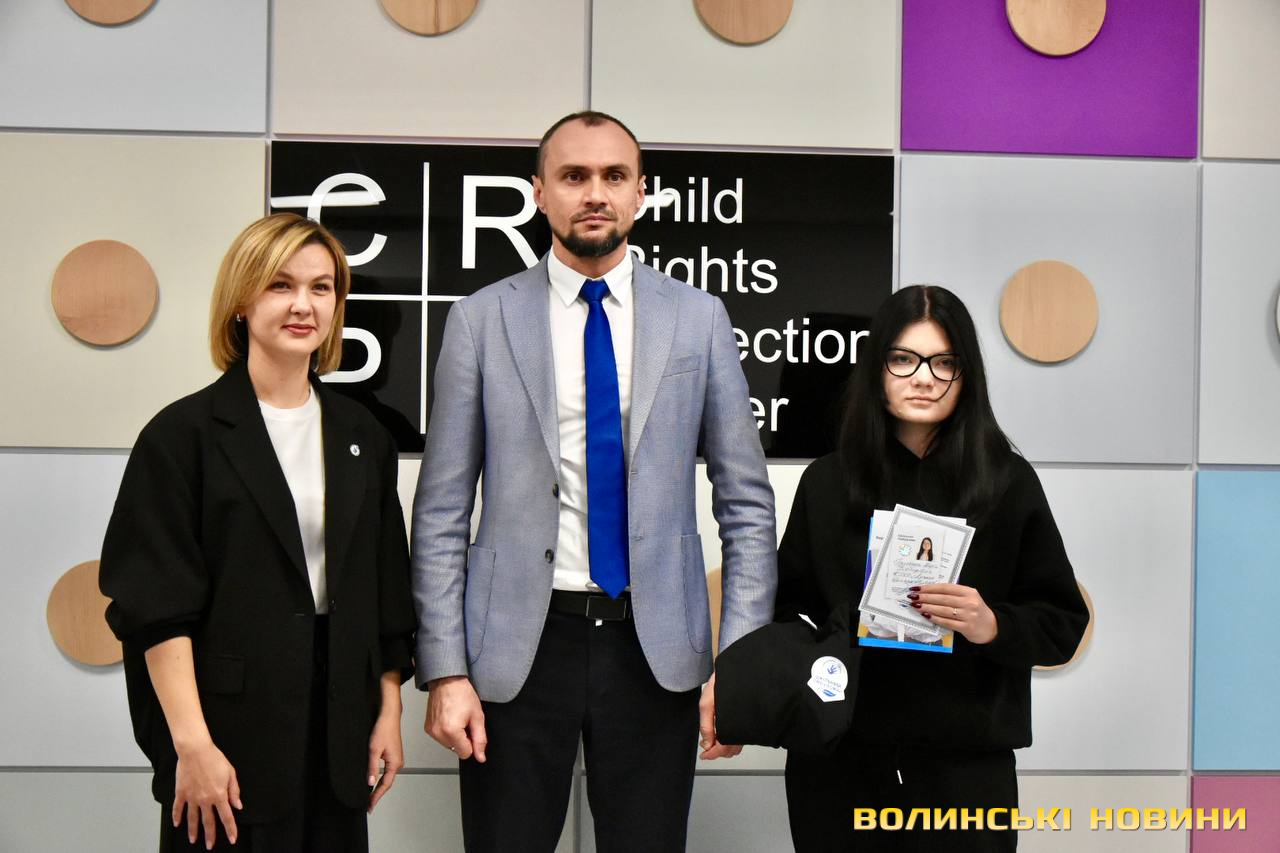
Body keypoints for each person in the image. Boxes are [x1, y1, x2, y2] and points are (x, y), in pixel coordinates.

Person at [411, 110, 777, 853]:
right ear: (539, 191)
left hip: (654, 649)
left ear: (641, 192)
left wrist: (739, 667)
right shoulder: (480, 320)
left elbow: (747, 506)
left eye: (614, 175)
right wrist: (445, 669)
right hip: (515, 649)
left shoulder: (699, 319)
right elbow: (441, 511)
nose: (594, 193)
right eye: (574, 176)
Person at [98, 213, 416, 853]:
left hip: (338, 730)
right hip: (226, 736)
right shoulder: (181, 436)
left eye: (322, 288)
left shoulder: (361, 434)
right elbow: (156, 610)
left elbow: (384, 590)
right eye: (280, 285)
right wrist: (192, 746)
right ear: (242, 301)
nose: (304, 305)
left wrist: (389, 711)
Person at [775, 285, 1088, 852]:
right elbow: (787, 617)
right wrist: (837, 633)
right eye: (904, 359)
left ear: (967, 377)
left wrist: (991, 624)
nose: (924, 379)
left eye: (944, 363)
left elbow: (1062, 623)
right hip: (841, 761)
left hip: (964, 767)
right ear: (876, 368)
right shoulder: (827, 482)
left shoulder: (1007, 482)